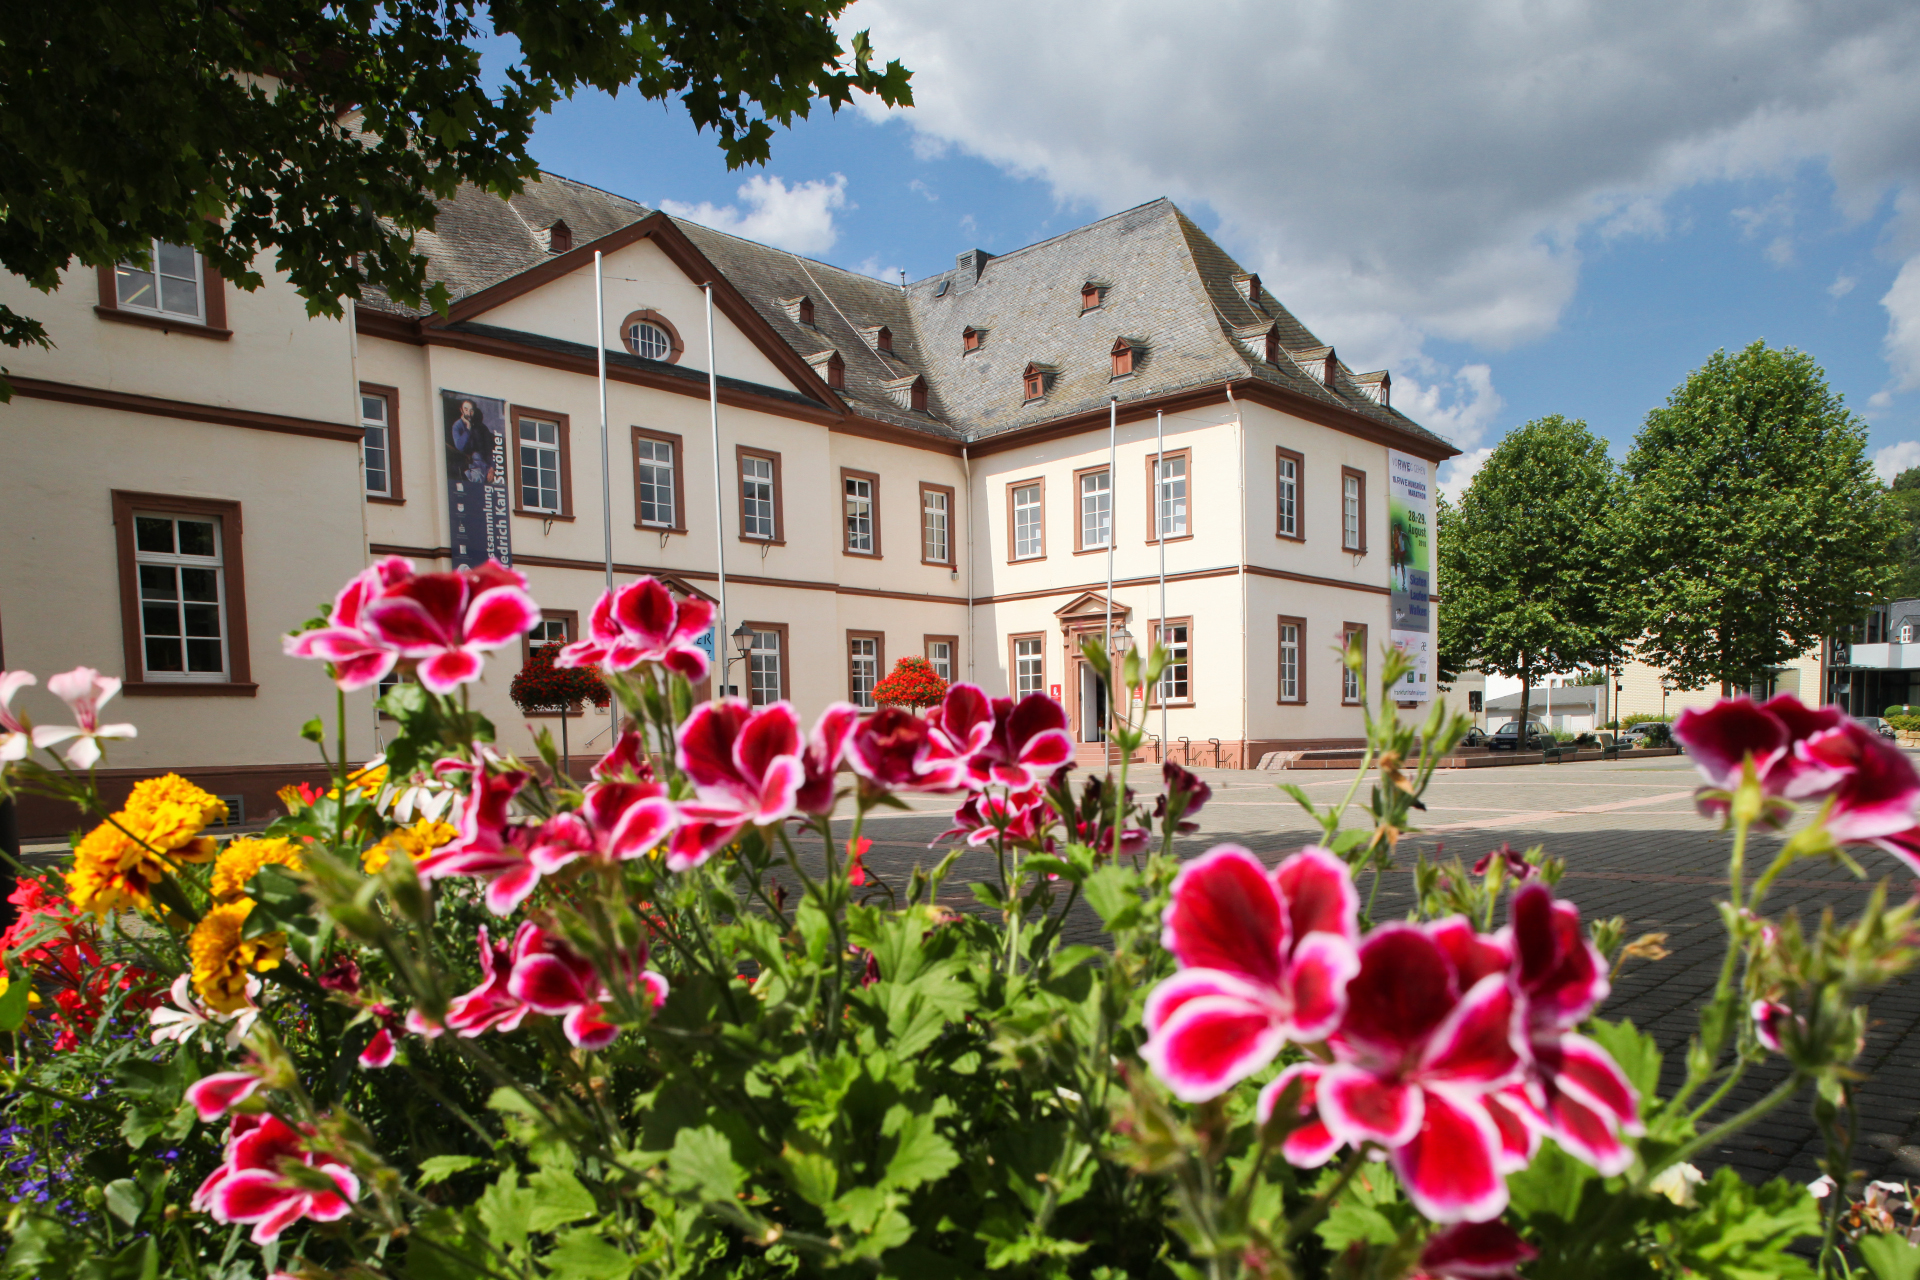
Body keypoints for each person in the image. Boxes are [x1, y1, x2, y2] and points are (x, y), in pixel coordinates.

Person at [446, 398, 498, 486]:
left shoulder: (481, 427)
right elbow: (460, 446)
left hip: (483, 465)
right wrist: (468, 428)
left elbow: (488, 449)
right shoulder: (457, 426)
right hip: (467, 465)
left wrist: (492, 468)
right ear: (461, 410)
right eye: (466, 409)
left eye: (471, 410)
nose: (469, 413)